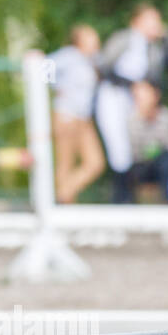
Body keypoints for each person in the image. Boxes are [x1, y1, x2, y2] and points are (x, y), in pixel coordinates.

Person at [95, 5, 168, 202]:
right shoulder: (123, 39)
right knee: (118, 148)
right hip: (115, 96)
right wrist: (132, 85)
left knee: (133, 149)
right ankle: (121, 199)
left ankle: (128, 198)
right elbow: (104, 66)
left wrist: (167, 35)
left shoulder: (154, 47)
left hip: (137, 100)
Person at [49, 25, 105, 203]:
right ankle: (64, 206)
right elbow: (44, 67)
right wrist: (57, 87)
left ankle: (61, 195)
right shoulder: (69, 55)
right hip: (66, 114)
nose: (95, 41)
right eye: (90, 37)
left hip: (83, 117)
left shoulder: (92, 60)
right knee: (65, 163)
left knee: (95, 163)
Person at [125, 81, 168, 202]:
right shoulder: (133, 118)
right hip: (142, 165)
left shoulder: (165, 115)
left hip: (161, 163)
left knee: (166, 163)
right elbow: (137, 150)